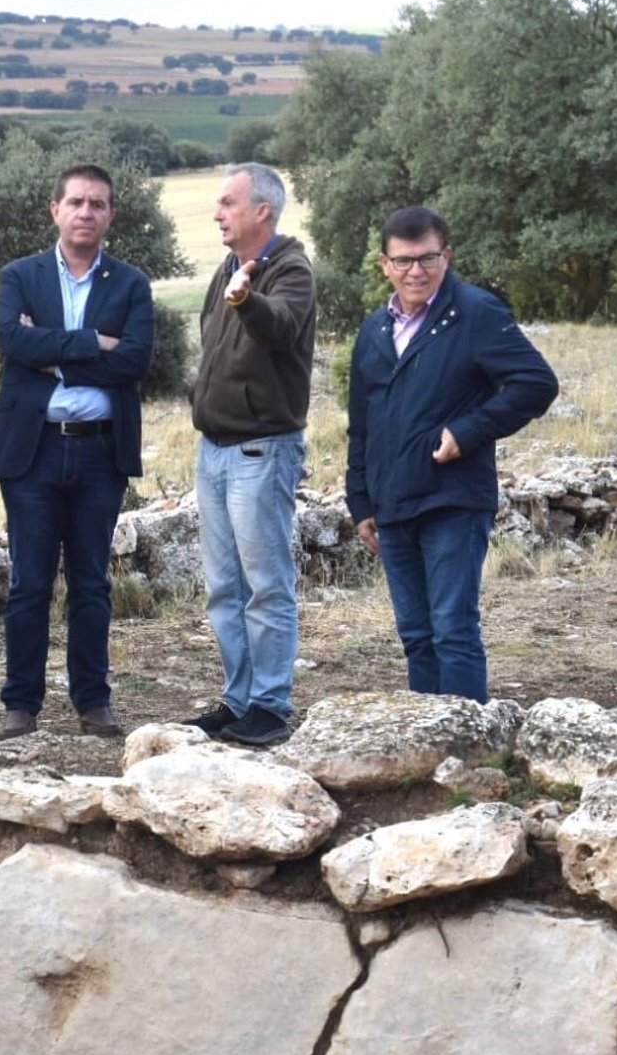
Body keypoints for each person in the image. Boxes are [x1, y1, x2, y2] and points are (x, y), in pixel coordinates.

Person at [346, 205, 558, 702]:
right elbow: (362, 425)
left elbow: (537, 384)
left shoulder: (476, 313)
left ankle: (468, 752)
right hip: (392, 505)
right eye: (403, 261)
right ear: (384, 264)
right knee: (417, 637)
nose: (415, 272)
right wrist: (361, 503)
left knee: (452, 630)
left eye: (427, 259)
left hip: (453, 498)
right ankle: (429, 744)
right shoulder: (374, 332)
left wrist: (469, 430)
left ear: (448, 255)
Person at [0, 163, 154, 739]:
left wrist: (51, 352)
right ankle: (21, 704)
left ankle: (93, 701)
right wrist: (92, 344)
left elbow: (135, 360)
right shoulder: (20, 276)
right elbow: (12, 340)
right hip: (32, 453)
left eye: (98, 204)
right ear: (54, 210)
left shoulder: (130, 284)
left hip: (100, 453)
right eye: (76, 202)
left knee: (91, 583)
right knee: (30, 582)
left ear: (111, 215)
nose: (86, 212)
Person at [184, 162, 318, 747]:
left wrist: (249, 302)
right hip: (214, 451)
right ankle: (238, 699)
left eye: (228, 203)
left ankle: (270, 704)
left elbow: (282, 326)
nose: (218, 213)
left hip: (260, 451)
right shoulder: (227, 268)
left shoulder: (290, 268)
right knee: (224, 586)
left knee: (265, 584)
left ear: (262, 210)